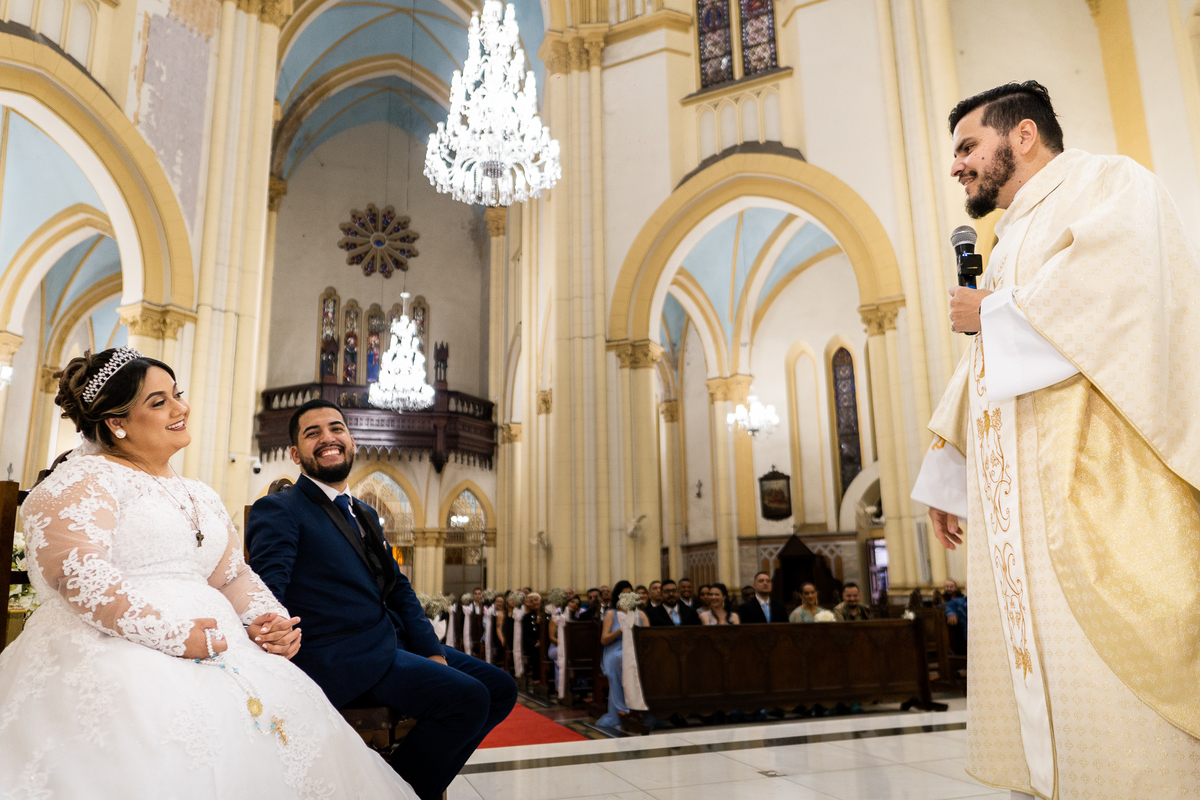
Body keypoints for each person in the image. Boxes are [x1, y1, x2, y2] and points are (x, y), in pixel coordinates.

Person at [911, 81, 1200, 798]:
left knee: (1125, 662)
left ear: (1025, 136)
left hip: (1097, 483)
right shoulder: (1007, 240)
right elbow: (985, 359)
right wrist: (948, 467)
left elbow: (1119, 289)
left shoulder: (1109, 182)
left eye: (968, 147)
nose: (958, 167)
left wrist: (995, 312)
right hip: (1022, 511)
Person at [0, 348, 418, 798]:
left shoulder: (199, 493)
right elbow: (77, 573)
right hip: (115, 646)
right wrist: (173, 636)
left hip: (221, 644)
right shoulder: (82, 480)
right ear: (116, 422)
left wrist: (269, 619)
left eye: (177, 395)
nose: (181, 408)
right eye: (159, 402)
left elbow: (232, 576)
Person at [249, 398, 516, 800]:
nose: (328, 438)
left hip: (388, 642)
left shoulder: (364, 513)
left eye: (336, 428)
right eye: (313, 433)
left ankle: (400, 780)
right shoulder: (281, 509)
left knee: (499, 688)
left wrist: (430, 649)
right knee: (467, 698)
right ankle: (399, 792)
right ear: (295, 454)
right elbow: (267, 591)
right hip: (340, 657)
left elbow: (398, 587)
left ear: (351, 440)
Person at [595, 581, 649, 728]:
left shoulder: (641, 614)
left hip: (636, 650)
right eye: (623, 594)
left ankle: (643, 705)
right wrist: (621, 630)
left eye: (629, 594)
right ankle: (623, 708)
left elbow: (648, 636)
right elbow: (604, 639)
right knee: (622, 658)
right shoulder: (611, 614)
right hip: (615, 650)